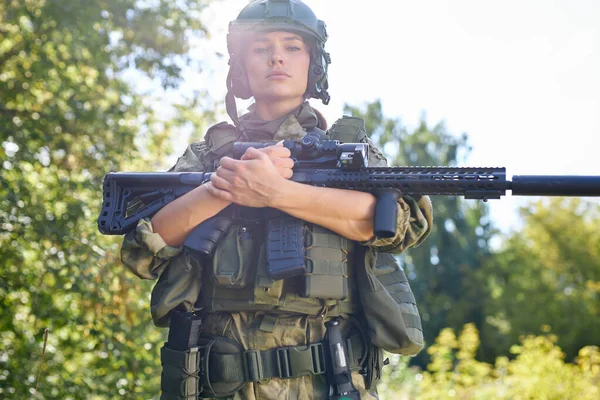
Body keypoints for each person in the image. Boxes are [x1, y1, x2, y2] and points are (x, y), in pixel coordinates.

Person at [120, 1, 433, 399]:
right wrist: (224, 188)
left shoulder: (349, 152)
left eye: (293, 46)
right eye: (260, 48)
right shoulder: (209, 156)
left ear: (313, 64)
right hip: (222, 384)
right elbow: (143, 249)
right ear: (241, 67)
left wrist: (278, 193)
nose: (277, 57)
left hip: (330, 383)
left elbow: (397, 226)